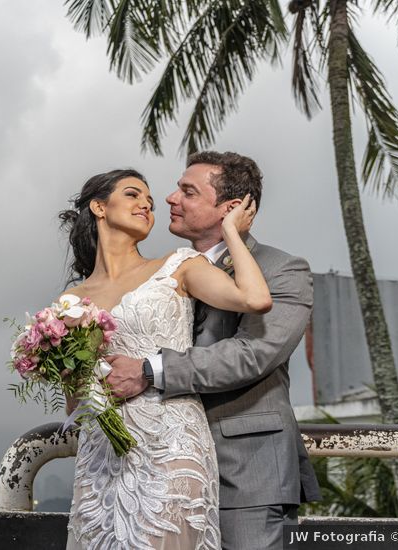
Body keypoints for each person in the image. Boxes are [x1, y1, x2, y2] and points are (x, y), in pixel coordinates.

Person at [103, 152, 321, 549]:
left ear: (232, 208)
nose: (169, 198)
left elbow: (252, 353)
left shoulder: (283, 270)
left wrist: (149, 370)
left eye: (188, 191)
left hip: (245, 470)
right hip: (162, 466)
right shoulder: (163, 271)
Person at [61, 164, 271, 550]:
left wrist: (231, 232)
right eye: (132, 194)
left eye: (150, 201)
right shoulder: (71, 303)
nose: (146, 204)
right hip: (102, 455)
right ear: (99, 207)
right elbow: (76, 407)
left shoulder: (178, 266)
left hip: (170, 442)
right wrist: (67, 357)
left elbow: (255, 299)